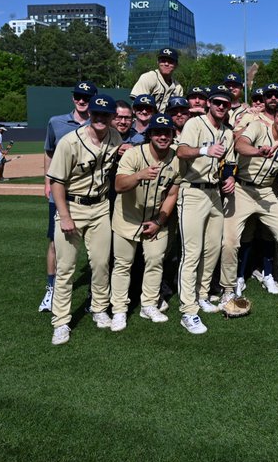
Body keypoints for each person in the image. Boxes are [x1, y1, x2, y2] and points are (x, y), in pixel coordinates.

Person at [46, 93, 123, 345]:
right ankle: (61, 322)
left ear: (112, 117)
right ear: (89, 114)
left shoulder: (115, 137)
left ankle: (99, 309)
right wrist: (65, 216)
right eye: (96, 113)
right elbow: (57, 182)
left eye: (106, 114)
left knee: (101, 264)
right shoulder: (69, 142)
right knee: (66, 268)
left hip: (101, 207)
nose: (100, 118)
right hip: (73, 206)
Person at [218, 101, 278, 307]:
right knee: (230, 241)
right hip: (242, 188)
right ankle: (228, 289)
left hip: (265, 191)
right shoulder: (258, 127)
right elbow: (240, 145)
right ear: (274, 117)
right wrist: (258, 151)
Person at [173, 86, 237, 331]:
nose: (221, 106)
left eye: (226, 103)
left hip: (215, 192)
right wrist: (204, 150)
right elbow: (181, 151)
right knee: (192, 252)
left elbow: (229, 162)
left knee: (212, 249)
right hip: (193, 191)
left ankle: (201, 294)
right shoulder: (195, 123)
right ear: (209, 103)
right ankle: (188, 310)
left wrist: (230, 178)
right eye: (217, 102)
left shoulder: (227, 132)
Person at [110, 114, 181, 332]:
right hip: (127, 218)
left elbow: (172, 194)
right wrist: (139, 175)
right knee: (123, 264)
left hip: (155, 219)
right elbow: (119, 185)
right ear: (149, 134)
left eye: (166, 133)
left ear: (172, 135)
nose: (162, 136)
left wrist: (160, 221)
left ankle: (149, 304)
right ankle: (119, 310)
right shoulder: (133, 154)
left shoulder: (177, 159)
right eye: (157, 132)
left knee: (155, 260)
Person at [40, 80, 96, 313]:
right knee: (55, 243)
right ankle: (51, 289)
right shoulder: (57, 122)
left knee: (96, 247)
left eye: (86, 97)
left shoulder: (100, 122)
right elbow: (48, 152)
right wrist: (47, 182)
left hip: (91, 193)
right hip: (61, 192)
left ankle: (96, 292)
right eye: (78, 96)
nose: (81, 100)